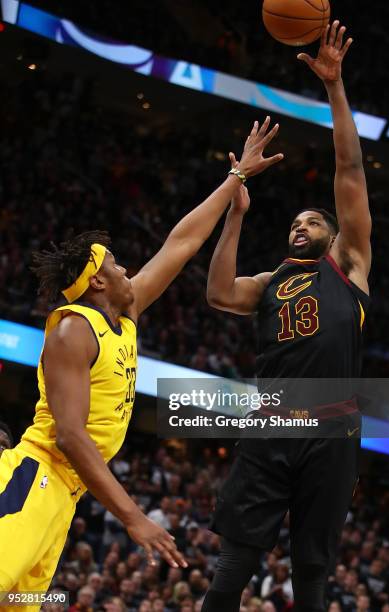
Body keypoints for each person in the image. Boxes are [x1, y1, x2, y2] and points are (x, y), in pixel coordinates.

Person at [0, 117, 283, 604]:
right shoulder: (72, 329)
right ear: (97, 282)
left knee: (24, 604)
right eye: (114, 262)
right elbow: (68, 434)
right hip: (38, 476)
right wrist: (133, 517)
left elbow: (181, 244)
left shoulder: (125, 313)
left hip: (66, 496)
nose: (126, 266)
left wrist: (235, 181)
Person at [204, 22, 371, 612]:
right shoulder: (271, 279)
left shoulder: (348, 263)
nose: (300, 225)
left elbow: (349, 171)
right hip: (273, 418)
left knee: (312, 572)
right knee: (236, 564)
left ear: (331, 233)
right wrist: (235, 211)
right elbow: (220, 292)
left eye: (312, 221)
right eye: (295, 222)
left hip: (333, 426)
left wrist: (335, 88)